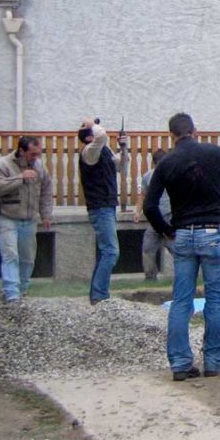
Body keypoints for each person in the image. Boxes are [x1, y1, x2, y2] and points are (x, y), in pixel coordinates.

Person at [143, 112, 220, 382]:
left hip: (182, 234)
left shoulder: (166, 163)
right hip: (213, 231)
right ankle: (214, 361)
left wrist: (166, 229)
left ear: (171, 135)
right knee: (217, 299)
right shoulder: (216, 154)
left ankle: (181, 363)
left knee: (182, 301)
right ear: (196, 130)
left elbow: (149, 206)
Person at [0, 136, 53, 303]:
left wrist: (46, 215)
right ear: (22, 151)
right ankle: (12, 294)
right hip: (7, 216)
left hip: (29, 218)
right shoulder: (3, 164)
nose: (36, 157)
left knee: (27, 257)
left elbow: (46, 190)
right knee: (11, 254)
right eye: (33, 154)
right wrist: (20, 178)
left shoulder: (39, 166)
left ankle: (23, 290)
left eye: (38, 153)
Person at [78, 118, 128, 305]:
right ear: (90, 136)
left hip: (107, 205)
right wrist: (91, 123)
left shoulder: (103, 151)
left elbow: (122, 167)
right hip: (100, 206)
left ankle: (97, 294)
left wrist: (123, 147)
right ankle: (100, 295)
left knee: (104, 251)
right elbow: (102, 136)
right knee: (111, 252)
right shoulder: (89, 152)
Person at [135, 149, 172, 281]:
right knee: (148, 248)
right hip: (155, 220)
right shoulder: (148, 176)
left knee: (177, 249)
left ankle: (186, 276)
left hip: (171, 218)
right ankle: (150, 277)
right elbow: (143, 195)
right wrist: (137, 212)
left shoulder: (174, 174)